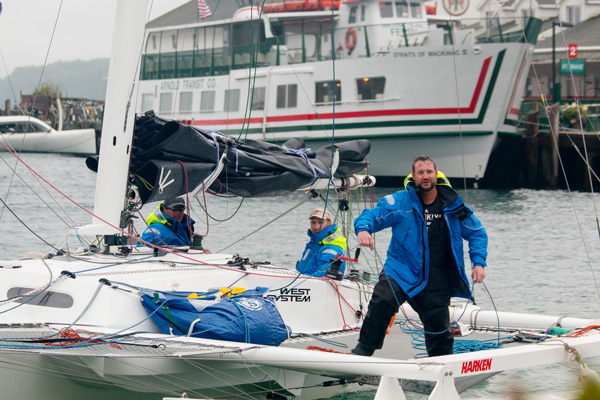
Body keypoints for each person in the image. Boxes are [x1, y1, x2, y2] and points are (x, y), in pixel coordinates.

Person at [351, 155, 488, 357]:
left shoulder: (453, 205)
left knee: (439, 331)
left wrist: (479, 263)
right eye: (421, 172)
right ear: (413, 176)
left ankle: (441, 371)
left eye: (429, 172)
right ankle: (363, 351)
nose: (425, 176)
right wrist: (363, 230)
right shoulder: (399, 200)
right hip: (402, 270)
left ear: (436, 175)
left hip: (437, 278)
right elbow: (372, 215)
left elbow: (477, 233)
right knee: (383, 298)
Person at [296, 208, 347, 277]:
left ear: (329, 223)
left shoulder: (332, 249)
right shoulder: (313, 244)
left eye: (320, 222)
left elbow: (322, 276)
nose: (316, 227)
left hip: (316, 285)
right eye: (313, 223)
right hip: (303, 283)